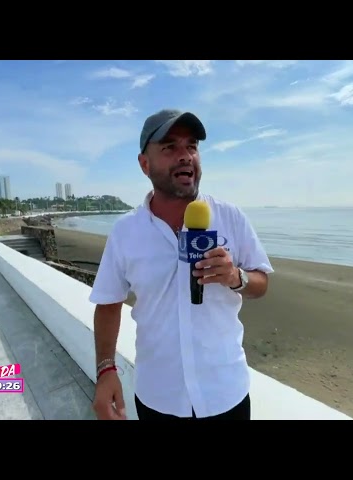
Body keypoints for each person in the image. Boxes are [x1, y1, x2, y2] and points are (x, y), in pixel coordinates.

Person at [89, 109, 274, 420]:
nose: (185, 156)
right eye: (170, 147)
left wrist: (235, 276)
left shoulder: (231, 217)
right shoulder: (126, 231)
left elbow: (261, 283)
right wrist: (106, 369)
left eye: (192, 146)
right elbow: (108, 304)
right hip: (158, 397)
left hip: (226, 394)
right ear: (144, 164)